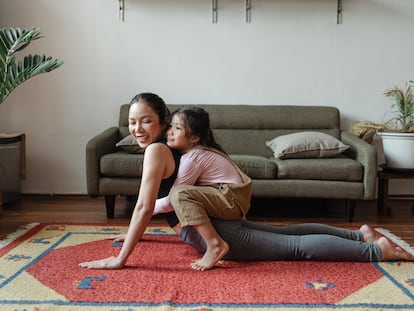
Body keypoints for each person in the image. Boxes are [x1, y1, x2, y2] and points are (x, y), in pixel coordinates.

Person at [79, 92, 181, 269]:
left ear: (164, 122)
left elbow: (144, 207)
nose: (137, 129)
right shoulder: (170, 145)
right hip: (212, 233)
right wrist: (135, 232)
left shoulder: (157, 150)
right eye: (132, 122)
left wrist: (120, 259)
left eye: (146, 121)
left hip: (211, 238)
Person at [153, 106, 252, 271]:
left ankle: (215, 245)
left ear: (195, 137)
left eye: (177, 128)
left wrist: (141, 212)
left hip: (230, 201)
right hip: (231, 200)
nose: (169, 131)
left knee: (179, 194)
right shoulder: (196, 153)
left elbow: (171, 202)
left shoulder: (193, 157)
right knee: (181, 193)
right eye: (170, 126)